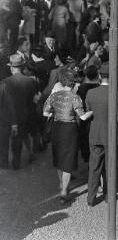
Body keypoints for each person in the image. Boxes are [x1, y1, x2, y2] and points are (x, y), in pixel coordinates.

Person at [43, 68, 92, 203]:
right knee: (68, 159)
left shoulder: (53, 96)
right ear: (73, 82)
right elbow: (82, 117)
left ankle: (61, 184)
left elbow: (45, 113)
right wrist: (92, 111)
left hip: (57, 128)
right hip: (70, 129)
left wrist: (53, 114)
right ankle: (64, 191)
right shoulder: (75, 97)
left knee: (59, 157)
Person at [85, 62, 118, 206]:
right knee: (111, 167)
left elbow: (88, 112)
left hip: (95, 133)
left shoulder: (91, 93)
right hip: (111, 135)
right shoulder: (115, 93)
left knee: (94, 167)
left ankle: (91, 198)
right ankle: (109, 196)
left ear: (99, 76)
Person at [3, 53, 38, 169]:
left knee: (5, 140)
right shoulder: (30, 81)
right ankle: (16, 163)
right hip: (23, 115)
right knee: (18, 140)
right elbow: (33, 99)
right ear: (22, 67)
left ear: (11, 67)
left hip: (6, 116)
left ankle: (4, 163)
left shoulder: (5, 82)